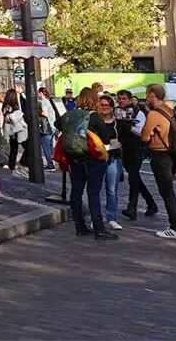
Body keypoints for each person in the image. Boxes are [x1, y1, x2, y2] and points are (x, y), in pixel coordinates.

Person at [60, 88, 116, 241]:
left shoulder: (69, 114)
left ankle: (80, 226)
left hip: (74, 157)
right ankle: (99, 228)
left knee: (76, 191)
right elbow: (105, 139)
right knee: (93, 193)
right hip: (93, 159)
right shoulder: (95, 117)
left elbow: (58, 124)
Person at [142, 84, 176, 239]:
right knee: (170, 192)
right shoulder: (171, 111)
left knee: (166, 192)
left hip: (160, 154)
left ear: (152, 95)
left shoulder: (154, 114)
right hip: (173, 153)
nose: (146, 98)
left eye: (147, 94)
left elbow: (144, 136)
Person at [115, 90, 158, 220]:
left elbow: (142, 131)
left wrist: (128, 127)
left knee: (133, 177)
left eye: (124, 98)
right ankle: (151, 203)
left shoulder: (138, 112)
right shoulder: (116, 112)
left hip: (136, 148)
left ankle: (132, 207)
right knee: (135, 177)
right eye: (119, 98)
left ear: (129, 100)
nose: (121, 101)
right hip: (123, 148)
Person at [97, 94, 126, 231]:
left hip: (114, 158)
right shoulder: (95, 121)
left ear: (111, 107)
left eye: (106, 105)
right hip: (97, 159)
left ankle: (111, 217)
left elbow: (123, 140)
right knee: (95, 190)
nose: (104, 108)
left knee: (112, 190)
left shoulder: (117, 123)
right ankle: (96, 218)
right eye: (101, 105)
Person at [38, 86, 64, 171]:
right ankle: (53, 163)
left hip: (47, 126)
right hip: (53, 126)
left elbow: (45, 113)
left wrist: (38, 112)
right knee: (50, 145)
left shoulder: (44, 102)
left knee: (46, 146)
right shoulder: (49, 101)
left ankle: (50, 165)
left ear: (41, 93)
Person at [2, 89, 29, 173]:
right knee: (28, 147)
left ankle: (12, 166)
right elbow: (13, 118)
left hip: (12, 131)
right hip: (17, 130)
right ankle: (21, 163)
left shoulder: (6, 106)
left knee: (14, 149)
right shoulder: (11, 107)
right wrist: (20, 116)